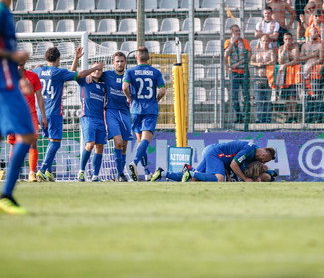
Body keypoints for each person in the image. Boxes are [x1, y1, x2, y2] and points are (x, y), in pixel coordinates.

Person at [34, 47, 103, 182]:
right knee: (55, 143)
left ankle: (48, 171)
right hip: (53, 112)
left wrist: (77, 59)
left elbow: (36, 68)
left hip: (39, 112)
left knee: (50, 141)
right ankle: (42, 170)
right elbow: (79, 74)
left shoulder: (38, 70)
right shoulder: (58, 72)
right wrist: (95, 68)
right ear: (59, 59)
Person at [0, 0, 35, 214]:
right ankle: (6, 195)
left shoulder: (7, 13)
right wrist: (14, 55)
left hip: (10, 81)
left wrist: (20, 75)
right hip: (4, 85)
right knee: (26, 134)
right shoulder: (1, 12)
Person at [123, 47, 165, 181]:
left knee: (140, 141)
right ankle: (134, 162)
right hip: (150, 110)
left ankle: (147, 172)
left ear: (136, 58)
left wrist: (129, 97)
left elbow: (124, 87)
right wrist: (156, 99)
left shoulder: (130, 71)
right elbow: (163, 91)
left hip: (135, 109)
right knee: (145, 141)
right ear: (149, 58)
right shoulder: (155, 72)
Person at [6, 61, 47, 182]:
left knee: (33, 142)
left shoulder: (33, 76)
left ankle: (32, 173)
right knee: (14, 144)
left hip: (31, 115)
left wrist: (43, 115)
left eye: (21, 65)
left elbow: (39, 97)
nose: (19, 67)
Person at [70, 47, 106, 182]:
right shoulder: (85, 80)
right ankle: (81, 172)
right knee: (90, 144)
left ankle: (95, 175)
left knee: (99, 147)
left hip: (100, 119)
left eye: (99, 69)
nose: (97, 71)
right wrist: (76, 59)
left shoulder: (104, 86)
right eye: (95, 68)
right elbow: (72, 73)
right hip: (88, 117)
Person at [175, 141, 276, 182]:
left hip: (215, 153)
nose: (263, 163)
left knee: (194, 180)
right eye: (265, 161)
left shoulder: (254, 151)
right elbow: (234, 164)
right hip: (215, 153)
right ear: (263, 155)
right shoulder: (249, 151)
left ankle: (163, 173)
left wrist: (268, 172)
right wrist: (245, 178)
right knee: (219, 179)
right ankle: (191, 171)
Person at [102, 52, 132, 182]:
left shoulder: (129, 75)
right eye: (117, 61)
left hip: (125, 112)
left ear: (125, 62)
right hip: (111, 112)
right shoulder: (107, 75)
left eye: (122, 61)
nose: (119, 63)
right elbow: (95, 75)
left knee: (124, 145)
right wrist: (89, 77)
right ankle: (120, 174)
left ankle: (121, 173)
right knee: (118, 142)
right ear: (113, 63)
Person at [225, 24, 251, 124]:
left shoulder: (244, 42)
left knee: (246, 95)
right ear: (232, 33)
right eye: (236, 31)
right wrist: (232, 43)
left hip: (244, 72)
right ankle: (239, 116)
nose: (238, 33)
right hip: (234, 73)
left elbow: (248, 55)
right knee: (234, 96)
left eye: (239, 31)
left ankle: (246, 116)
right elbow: (225, 54)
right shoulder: (228, 42)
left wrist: (238, 63)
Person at [249, 34, 276, 124]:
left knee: (267, 99)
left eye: (267, 41)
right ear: (260, 41)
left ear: (269, 42)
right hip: (258, 77)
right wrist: (258, 64)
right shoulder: (257, 51)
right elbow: (251, 61)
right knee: (259, 99)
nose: (265, 42)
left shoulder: (271, 51)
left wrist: (264, 63)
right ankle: (259, 118)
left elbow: (273, 60)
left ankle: (267, 118)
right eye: (263, 41)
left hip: (268, 77)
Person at [276, 32, 300, 123]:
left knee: (292, 97)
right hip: (285, 75)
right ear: (283, 40)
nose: (288, 41)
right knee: (286, 97)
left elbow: (295, 60)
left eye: (289, 39)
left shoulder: (295, 47)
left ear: (292, 39)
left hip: (293, 74)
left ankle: (294, 116)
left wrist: (285, 64)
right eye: (286, 39)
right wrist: (283, 52)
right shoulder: (281, 48)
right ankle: (289, 116)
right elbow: (279, 61)